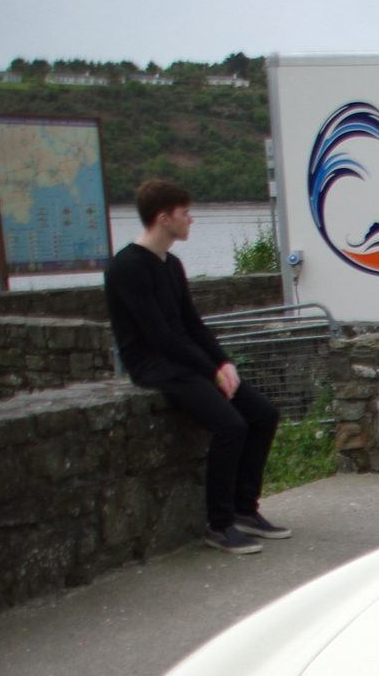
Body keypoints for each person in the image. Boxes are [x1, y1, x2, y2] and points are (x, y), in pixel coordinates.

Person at [104, 179, 283, 557]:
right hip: (154, 366)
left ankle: (244, 509)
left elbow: (191, 325)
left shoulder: (172, 264)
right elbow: (157, 335)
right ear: (163, 217)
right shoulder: (127, 267)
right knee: (230, 425)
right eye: (185, 213)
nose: (191, 219)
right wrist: (211, 371)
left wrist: (223, 362)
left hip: (183, 360)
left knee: (263, 414)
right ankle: (219, 525)